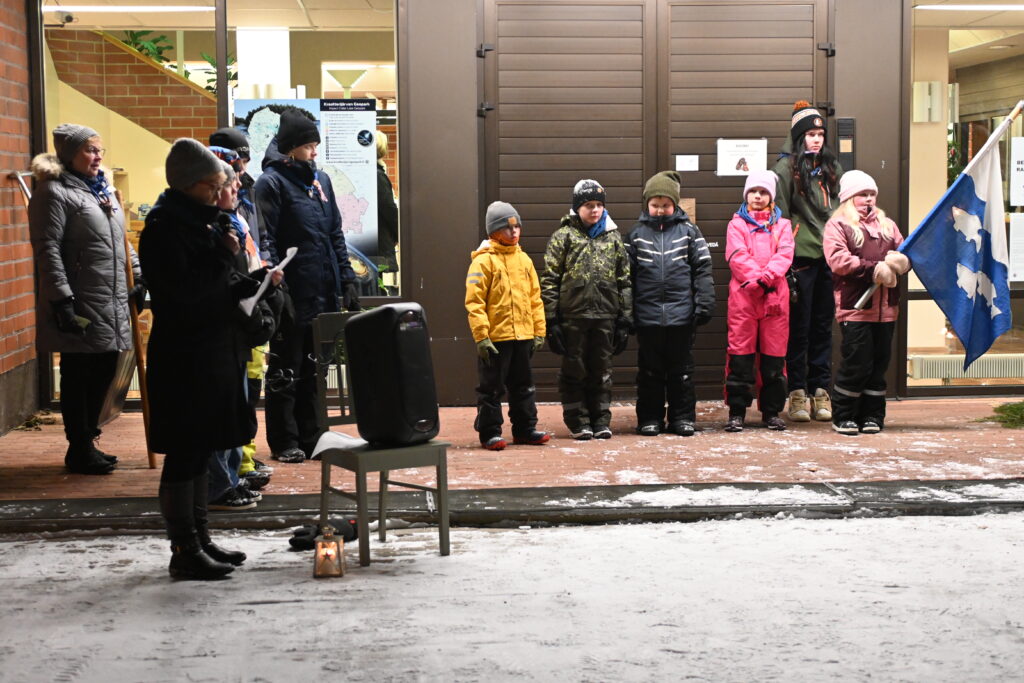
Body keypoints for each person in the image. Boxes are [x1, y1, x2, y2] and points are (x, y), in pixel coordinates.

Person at [140, 138, 267, 580]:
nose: (219, 194)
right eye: (211, 187)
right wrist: (223, 261)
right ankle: (184, 547)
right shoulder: (165, 227)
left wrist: (248, 284)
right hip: (185, 354)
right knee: (186, 452)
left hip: (213, 349)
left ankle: (202, 537)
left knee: (203, 445)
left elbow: (213, 286)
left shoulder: (204, 222)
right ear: (189, 185)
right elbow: (184, 294)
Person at [28, 123, 143, 475]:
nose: (97, 157)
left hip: (110, 295)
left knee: (105, 368)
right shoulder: (53, 192)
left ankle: (88, 438)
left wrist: (138, 276)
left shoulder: (101, 190)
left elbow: (120, 241)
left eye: (99, 150)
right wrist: (62, 300)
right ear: (69, 154)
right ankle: (78, 446)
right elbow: (47, 250)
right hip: (79, 298)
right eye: (89, 150)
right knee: (80, 373)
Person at [255, 109, 361, 463]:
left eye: (316, 145)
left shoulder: (321, 182)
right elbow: (265, 238)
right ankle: (284, 440)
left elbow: (334, 233)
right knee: (288, 367)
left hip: (323, 289)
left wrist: (346, 277)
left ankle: (312, 435)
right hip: (292, 292)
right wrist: (273, 285)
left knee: (316, 369)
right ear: (290, 148)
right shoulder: (270, 183)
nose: (315, 152)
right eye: (309, 145)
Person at [624, 171, 714, 437]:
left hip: (681, 316)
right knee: (650, 372)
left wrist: (704, 301)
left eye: (665, 205)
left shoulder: (689, 232)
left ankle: (682, 417)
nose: (660, 210)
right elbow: (626, 276)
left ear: (675, 205)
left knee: (681, 371)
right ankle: (649, 418)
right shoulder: (636, 235)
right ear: (647, 205)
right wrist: (627, 311)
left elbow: (702, 269)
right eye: (655, 205)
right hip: (648, 316)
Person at [208, 141, 275, 492]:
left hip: (247, 322)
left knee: (246, 399)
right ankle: (227, 478)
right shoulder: (212, 229)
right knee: (230, 407)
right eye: (231, 181)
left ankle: (241, 466)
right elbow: (224, 281)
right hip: (231, 328)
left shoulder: (240, 214)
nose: (238, 185)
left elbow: (250, 261)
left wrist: (265, 284)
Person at [541, 179, 632, 440]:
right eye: (589, 205)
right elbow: (550, 279)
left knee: (601, 371)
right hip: (573, 317)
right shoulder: (563, 236)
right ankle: (578, 421)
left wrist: (625, 318)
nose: (595, 210)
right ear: (577, 207)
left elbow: (624, 279)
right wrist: (551, 319)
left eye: (599, 205)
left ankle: (601, 419)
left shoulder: (613, 238)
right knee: (574, 370)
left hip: (605, 316)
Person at [772, 101, 844, 423]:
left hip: (830, 258)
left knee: (822, 327)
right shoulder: (785, 170)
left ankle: (820, 390)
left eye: (820, 134)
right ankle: (797, 392)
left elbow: (843, 211)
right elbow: (781, 217)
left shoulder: (831, 168)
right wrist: (786, 258)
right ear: (799, 136)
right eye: (811, 134)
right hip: (801, 259)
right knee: (799, 330)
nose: (816, 139)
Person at [822, 171, 909, 435]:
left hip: (887, 309)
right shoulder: (838, 225)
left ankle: (872, 415)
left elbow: (903, 251)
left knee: (878, 364)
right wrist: (873, 270)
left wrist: (903, 262)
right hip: (856, 307)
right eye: (862, 194)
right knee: (857, 362)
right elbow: (838, 259)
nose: (868, 199)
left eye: (871, 194)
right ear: (849, 197)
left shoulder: (888, 226)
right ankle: (845, 414)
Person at [465, 201, 549, 451]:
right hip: (496, 339)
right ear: (493, 232)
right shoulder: (482, 263)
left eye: (517, 227)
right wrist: (482, 336)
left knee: (524, 386)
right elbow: (474, 302)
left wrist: (538, 331)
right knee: (491, 388)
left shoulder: (524, 261)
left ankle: (525, 429)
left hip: (522, 335)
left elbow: (535, 298)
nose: (514, 232)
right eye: (507, 227)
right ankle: (489, 432)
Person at [723, 170, 794, 432]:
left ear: (770, 196)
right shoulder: (736, 224)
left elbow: (785, 254)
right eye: (753, 191)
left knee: (774, 361)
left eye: (763, 192)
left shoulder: (782, 226)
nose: (757, 196)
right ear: (746, 194)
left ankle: (772, 412)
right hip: (744, 300)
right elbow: (736, 255)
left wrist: (766, 279)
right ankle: (737, 412)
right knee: (740, 358)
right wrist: (757, 280)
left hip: (775, 301)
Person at [375, 131, 399, 281]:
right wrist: (398, 234)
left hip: (372, 246)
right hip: (379, 246)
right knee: (377, 283)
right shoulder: (378, 175)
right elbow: (389, 209)